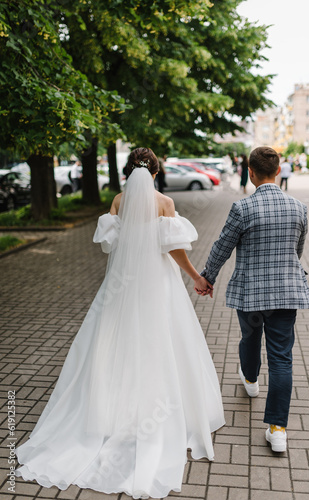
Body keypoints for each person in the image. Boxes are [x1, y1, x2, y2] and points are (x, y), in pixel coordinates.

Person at [15, 147, 224, 497]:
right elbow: (173, 249)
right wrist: (196, 278)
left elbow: (111, 246)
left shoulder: (117, 200)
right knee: (163, 344)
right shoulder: (164, 204)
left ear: (129, 171)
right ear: (156, 172)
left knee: (113, 344)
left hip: (121, 287)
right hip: (158, 283)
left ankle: (109, 413)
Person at [195, 146, 309, 453]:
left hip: (251, 293)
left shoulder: (242, 208)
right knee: (281, 358)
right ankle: (277, 429)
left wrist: (207, 277)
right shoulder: (299, 208)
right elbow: (296, 250)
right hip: (287, 293)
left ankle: (250, 379)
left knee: (249, 338)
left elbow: (223, 246)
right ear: (278, 171)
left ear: (250, 172)